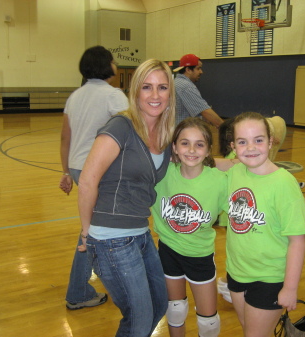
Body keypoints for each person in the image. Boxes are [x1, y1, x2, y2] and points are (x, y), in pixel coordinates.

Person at [77, 59, 176, 337]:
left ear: (170, 93)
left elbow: (195, 162)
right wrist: (86, 231)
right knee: (140, 319)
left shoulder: (165, 133)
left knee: (158, 305)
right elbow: (87, 181)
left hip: (141, 234)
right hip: (111, 238)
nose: (155, 95)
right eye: (147, 87)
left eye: (162, 87)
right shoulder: (122, 125)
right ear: (136, 92)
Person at [222, 112, 305, 337]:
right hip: (237, 272)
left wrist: (290, 288)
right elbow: (216, 164)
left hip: (269, 278)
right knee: (248, 330)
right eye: (243, 142)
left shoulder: (283, 184)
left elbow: (297, 241)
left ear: (271, 141)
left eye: (258, 140)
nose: (250, 147)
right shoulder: (235, 172)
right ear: (233, 146)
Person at [59, 46, 129, 310]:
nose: (116, 64)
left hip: (78, 168)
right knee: (92, 228)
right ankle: (78, 291)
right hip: (99, 170)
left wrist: (66, 171)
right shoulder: (114, 96)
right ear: (105, 65)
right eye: (113, 60)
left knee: (96, 223)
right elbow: (130, 132)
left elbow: (65, 138)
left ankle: (93, 280)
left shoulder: (75, 96)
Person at [152, 118, 227, 337]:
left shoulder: (220, 181)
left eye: (199, 144)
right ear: (174, 147)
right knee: (175, 310)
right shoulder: (161, 175)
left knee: (208, 323)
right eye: (185, 143)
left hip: (200, 256)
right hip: (168, 251)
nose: (192, 150)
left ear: (208, 151)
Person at [174, 54, 224, 128]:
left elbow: (184, 112)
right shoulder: (186, 86)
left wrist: (204, 118)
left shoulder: (176, 82)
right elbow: (205, 111)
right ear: (188, 70)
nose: (201, 72)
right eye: (198, 68)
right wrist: (224, 126)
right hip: (182, 133)